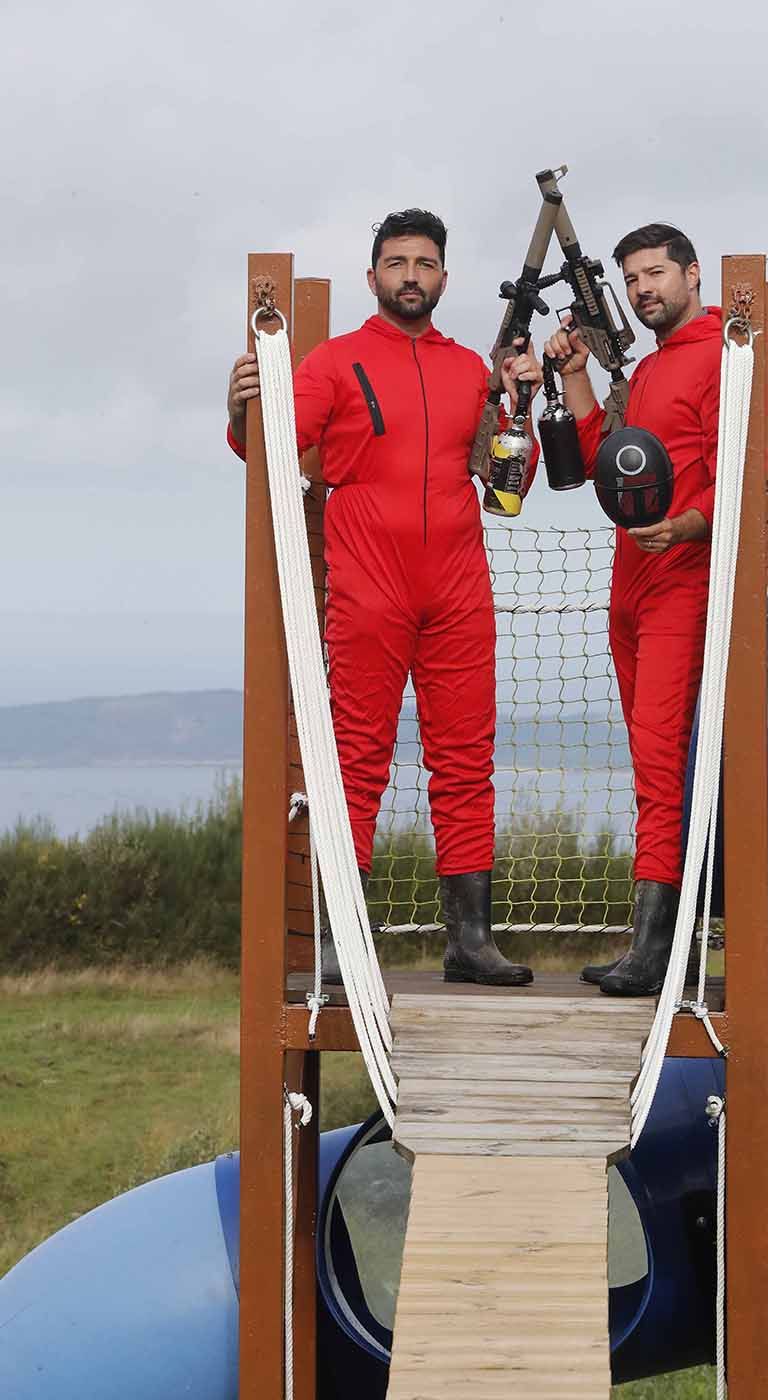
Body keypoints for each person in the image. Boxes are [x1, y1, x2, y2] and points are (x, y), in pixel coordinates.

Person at [228, 208, 542, 986]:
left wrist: (520, 410)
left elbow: (507, 494)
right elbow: (263, 450)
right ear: (373, 278)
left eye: (425, 262)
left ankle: (470, 940)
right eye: (396, 262)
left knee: (466, 759)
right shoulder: (334, 363)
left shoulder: (472, 367)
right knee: (356, 759)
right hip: (368, 585)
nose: (410, 275)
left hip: (459, 588)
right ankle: (339, 942)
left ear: (443, 277)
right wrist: (240, 408)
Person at [544, 223, 720, 996]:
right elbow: (594, 463)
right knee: (650, 763)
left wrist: (686, 524)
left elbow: (744, 472)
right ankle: (660, 944)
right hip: (630, 588)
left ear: (691, 274)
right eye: (633, 278)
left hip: (684, 581)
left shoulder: (724, 356)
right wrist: (576, 373)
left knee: (659, 760)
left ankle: (656, 951)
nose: (645, 288)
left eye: (656, 273)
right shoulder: (648, 371)